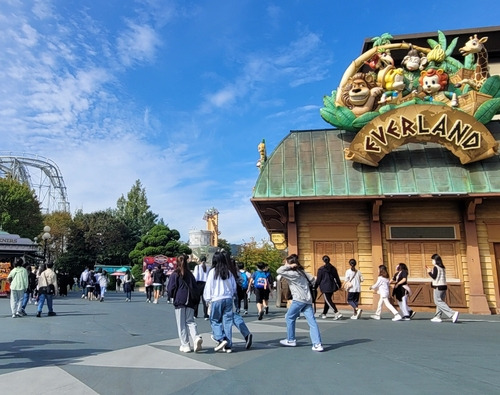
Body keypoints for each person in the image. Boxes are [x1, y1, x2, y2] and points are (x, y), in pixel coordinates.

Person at [277, 254, 323, 352]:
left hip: (298, 299)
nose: (285, 264)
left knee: (289, 317)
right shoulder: (302, 272)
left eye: (286, 262)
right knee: (312, 322)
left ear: (291, 264)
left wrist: (289, 266)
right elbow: (313, 280)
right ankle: (317, 344)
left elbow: (279, 271)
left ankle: (291, 339)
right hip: (308, 299)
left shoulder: (292, 274)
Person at [167, 254, 203, 353]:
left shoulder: (175, 274)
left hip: (180, 300)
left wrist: (171, 296)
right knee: (190, 321)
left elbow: (170, 288)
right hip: (190, 300)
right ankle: (196, 337)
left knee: (181, 324)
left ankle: (185, 344)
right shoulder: (190, 274)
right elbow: (195, 287)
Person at [203, 251, 236, 353]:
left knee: (215, 320)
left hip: (216, 299)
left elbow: (208, 286)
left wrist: (207, 299)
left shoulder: (213, 272)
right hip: (228, 299)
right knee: (227, 322)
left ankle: (221, 339)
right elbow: (233, 286)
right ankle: (228, 345)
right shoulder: (228, 272)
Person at [427, 254, 459, 323]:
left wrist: (429, 272)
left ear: (435, 260)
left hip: (438, 286)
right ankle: (437, 316)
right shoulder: (442, 267)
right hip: (444, 285)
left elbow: (434, 276)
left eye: (432, 260)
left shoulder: (436, 267)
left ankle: (452, 313)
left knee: (437, 301)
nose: (432, 261)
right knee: (440, 301)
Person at [315, 255, 342, 320]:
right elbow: (337, 278)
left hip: (324, 286)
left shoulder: (321, 269)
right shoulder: (333, 268)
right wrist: (339, 285)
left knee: (328, 300)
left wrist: (315, 287)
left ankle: (336, 312)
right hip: (332, 286)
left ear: (323, 261)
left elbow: (318, 280)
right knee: (327, 300)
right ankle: (324, 313)